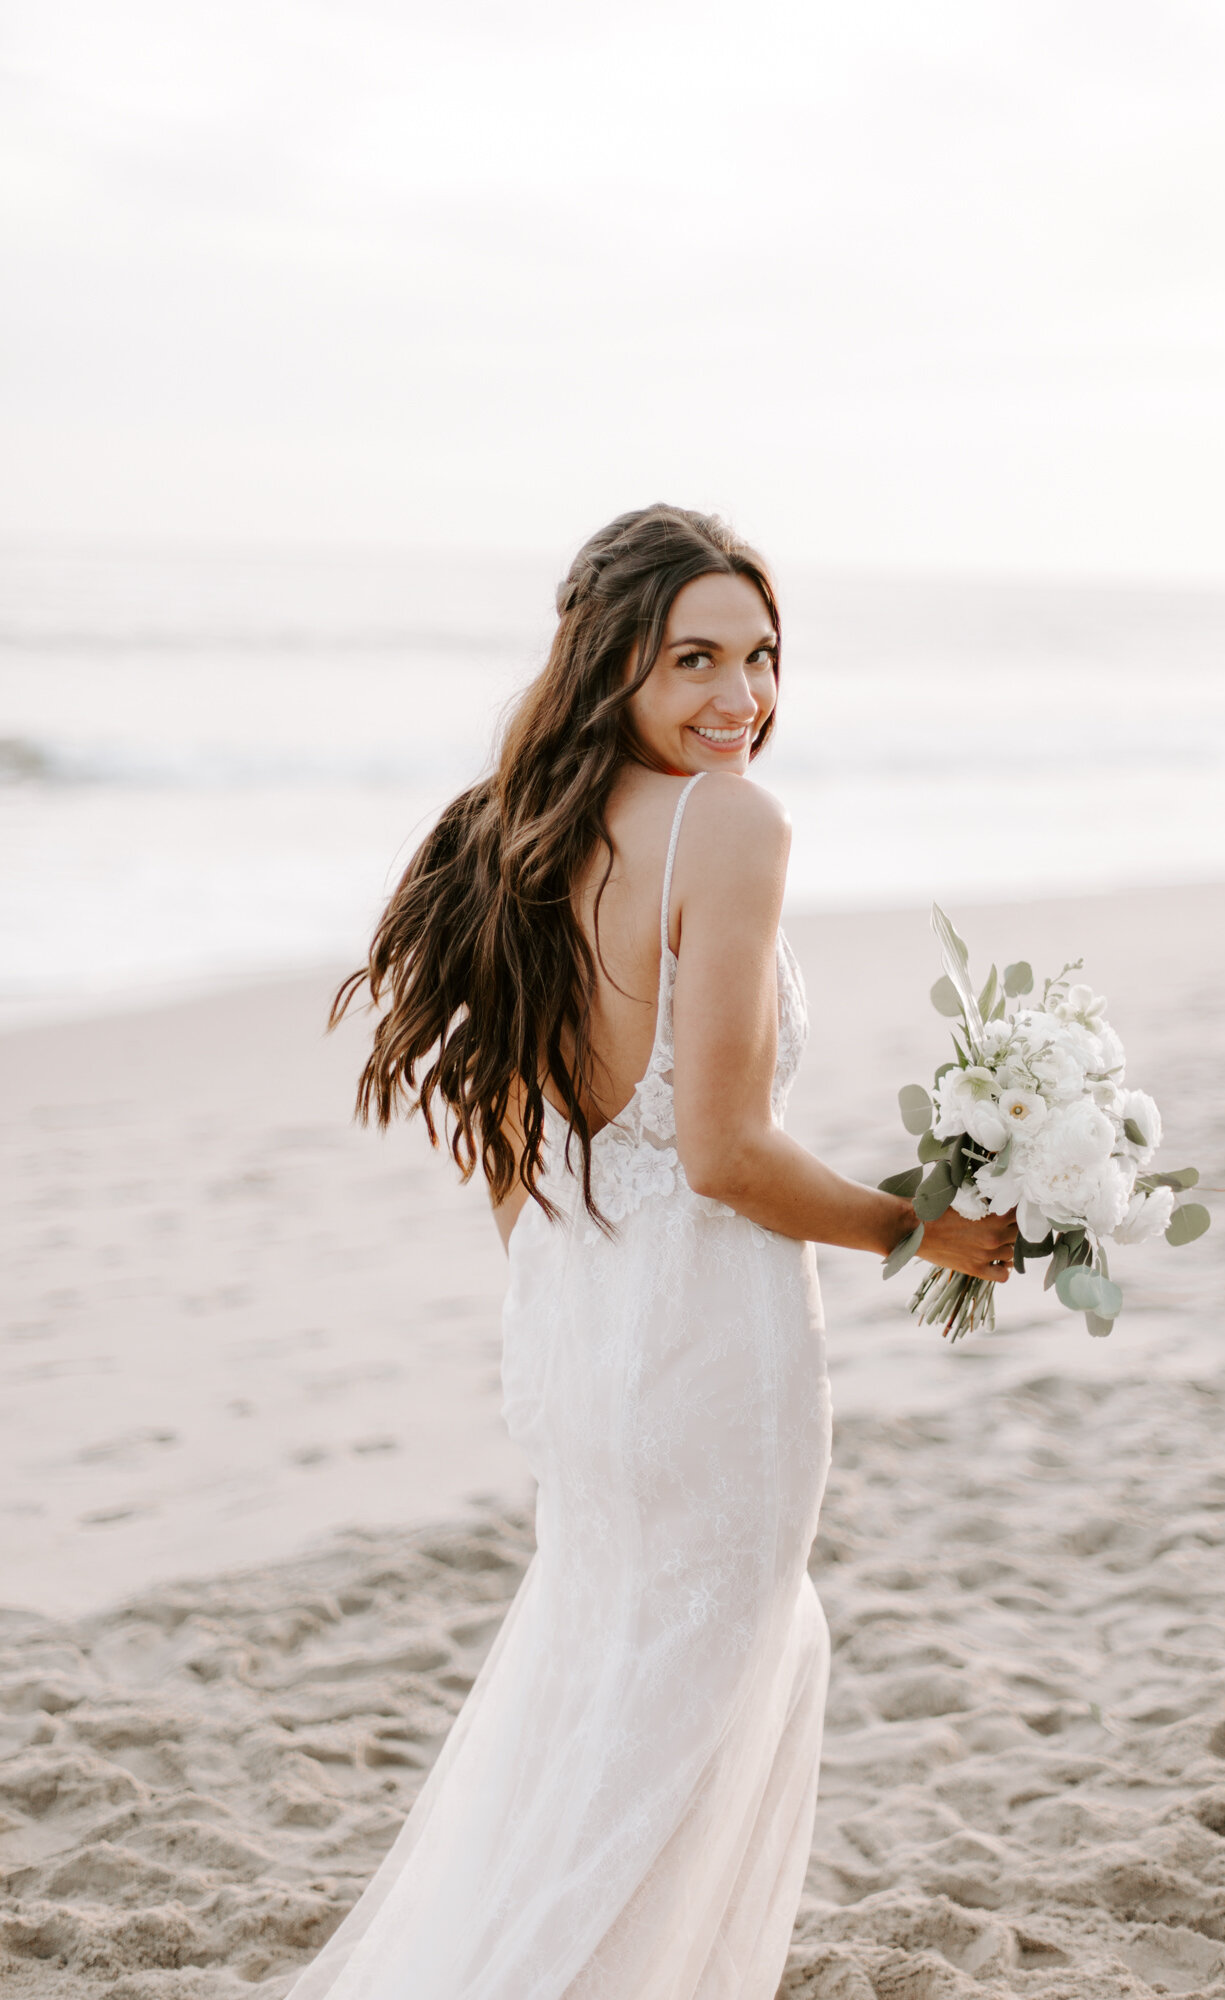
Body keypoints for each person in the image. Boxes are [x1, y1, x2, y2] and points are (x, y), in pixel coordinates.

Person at [290, 506, 1016, 1999]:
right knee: (681, 1723)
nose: (738, 699)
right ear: (608, 660)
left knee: (596, 1695)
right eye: (693, 658)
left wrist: (577, 1301)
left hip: (575, 1336)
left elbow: (511, 1139)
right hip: (706, 1353)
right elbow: (726, 1153)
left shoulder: (514, 828)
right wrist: (919, 1226)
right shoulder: (727, 823)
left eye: (759, 657)